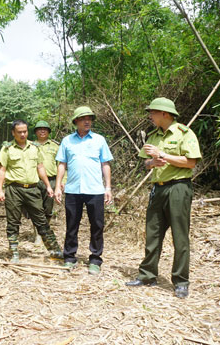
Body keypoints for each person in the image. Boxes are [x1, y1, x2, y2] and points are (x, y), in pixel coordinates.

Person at [125, 98, 201, 299]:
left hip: (178, 188)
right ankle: (148, 275)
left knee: (180, 236)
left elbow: (191, 162)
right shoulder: (153, 136)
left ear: (165, 114)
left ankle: (181, 281)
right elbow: (146, 164)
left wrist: (164, 155)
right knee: (153, 234)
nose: (150, 116)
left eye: (153, 113)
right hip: (157, 189)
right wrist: (152, 162)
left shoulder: (184, 133)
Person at [54, 106, 113, 275]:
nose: (87, 121)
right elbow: (62, 164)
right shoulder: (67, 141)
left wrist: (108, 187)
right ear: (76, 121)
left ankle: (95, 259)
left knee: (97, 225)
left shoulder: (99, 140)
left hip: (95, 189)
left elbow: (105, 164)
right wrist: (58, 186)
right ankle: (70, 257)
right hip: (73, 189)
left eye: (89, 118)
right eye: (83, 118)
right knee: (72, 224)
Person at [0, 119, 63, 263]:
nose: (22, 134)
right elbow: (2, 170)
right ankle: (14, 252)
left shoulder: (34, 147)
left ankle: (55, 251)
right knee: (13, 222)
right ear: (13, 133)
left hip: (32, 190)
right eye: (19, 132)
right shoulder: (7, 149)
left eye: (25, 131)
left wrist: (47, 186)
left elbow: (40, 167)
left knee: (41, 220)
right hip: (14, 189)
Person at [33, 120, 61, 245]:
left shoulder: (56, 146)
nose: (42, 131)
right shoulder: (30, 146)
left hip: (52, 180)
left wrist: (62, 182)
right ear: (36, 132)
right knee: (35, 208)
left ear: (49, 132)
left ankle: (44, 230)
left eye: (45, 129)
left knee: (48, 208)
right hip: (34, 181)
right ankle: (38, 234)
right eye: (39, 129)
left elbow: (61, 165)